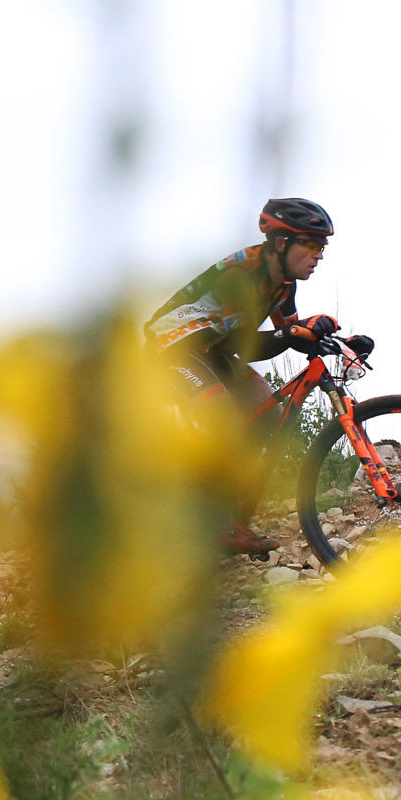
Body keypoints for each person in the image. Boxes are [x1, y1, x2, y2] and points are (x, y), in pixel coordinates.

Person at [146, 197, 345, 557]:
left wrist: (337, 340)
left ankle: (228, 522)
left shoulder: (284, 284)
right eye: (312, 245)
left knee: (266, 413)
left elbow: (289, 333)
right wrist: (293, 335)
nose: (318, 256)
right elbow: (250, 343)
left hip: (214, 349)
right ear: (282, 243)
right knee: (220, 414)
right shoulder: (242, 274)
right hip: (174, 348)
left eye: (322, 248)